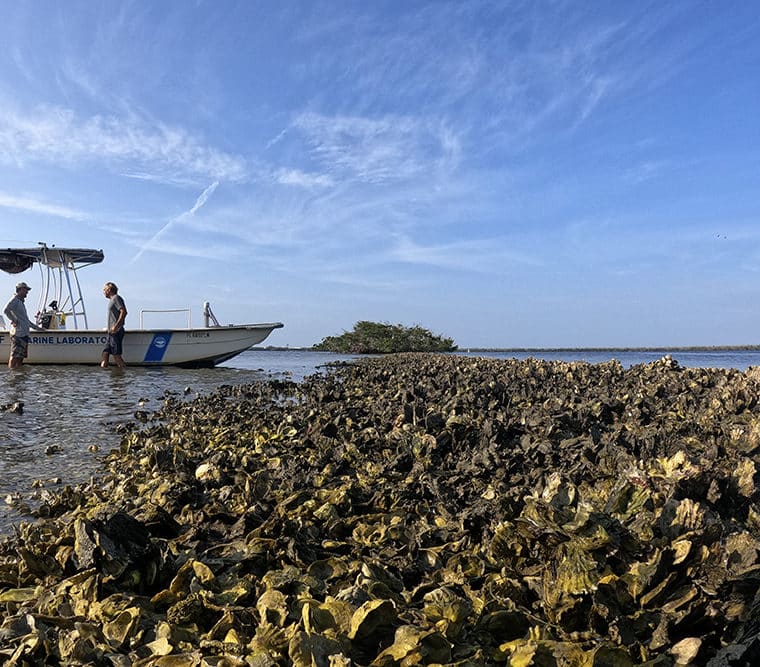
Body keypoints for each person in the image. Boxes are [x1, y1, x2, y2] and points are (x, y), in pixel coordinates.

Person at [4, 281, 43, 368]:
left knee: (21, 357)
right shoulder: (15, 300)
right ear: (20, 290)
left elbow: (26, 321)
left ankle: (18, 375)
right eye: (26, 290)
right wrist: (14, 320)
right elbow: (6, 310)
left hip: (24, 334)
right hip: (18, 334)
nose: (27, 292)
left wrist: (38, 328)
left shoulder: (21, 302)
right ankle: (12, 374)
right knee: (14, 356)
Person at [101, 282, 127, 368]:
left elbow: (123, 312)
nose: (103, 292)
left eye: (104, 290)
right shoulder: (112, 300)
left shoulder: (116, 298)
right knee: (105, 353)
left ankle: (123, 376)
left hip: (116, 332)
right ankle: (103, 375)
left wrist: (116, 326)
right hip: (110, 332)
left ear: (109, 290)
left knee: (116, 355)